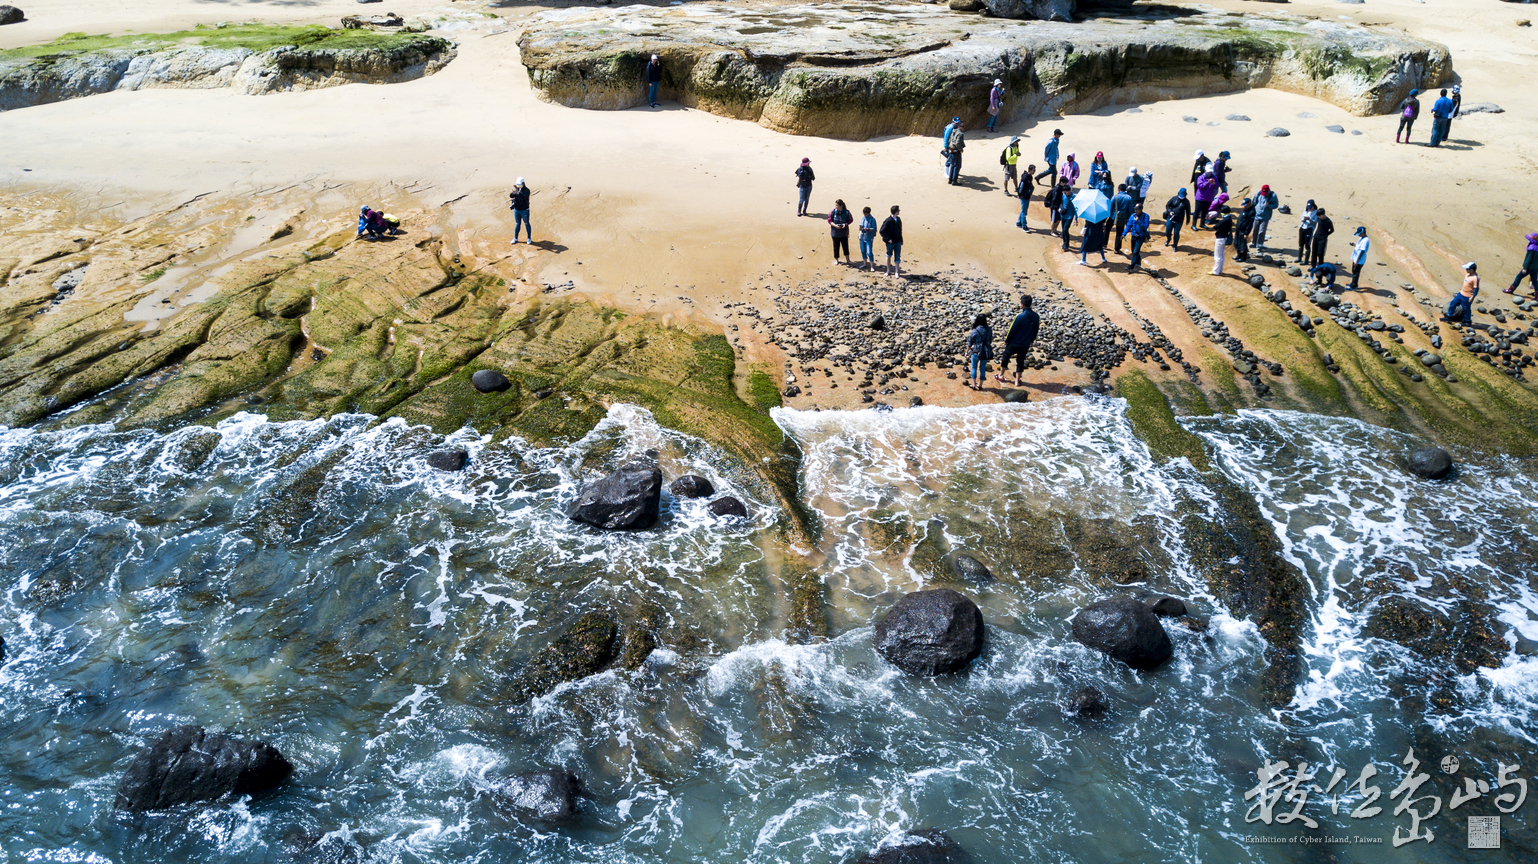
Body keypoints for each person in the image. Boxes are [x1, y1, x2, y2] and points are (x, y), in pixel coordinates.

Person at [996, 295, 1040, 387]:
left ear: (1022, 305)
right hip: (1025, 343)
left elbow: (1012, 329)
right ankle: (1017, 381)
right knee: (1020, 360)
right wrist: (1031, 340)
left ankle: (1001, 375)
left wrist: (1007, 340)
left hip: (1014, 342)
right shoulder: (1036, 316)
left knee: (1006, 356)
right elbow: (1036, 330)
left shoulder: (1019, 316)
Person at [1504, 231, 1538, 298]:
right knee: (1534, 281)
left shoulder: (1531, 248)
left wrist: (1525, 268)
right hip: (1535, 268)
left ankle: (1511, 290)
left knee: (1519, 277)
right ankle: (1537, 296)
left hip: (1529, 267)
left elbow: (1528, 259)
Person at [966, 313, 993, 390]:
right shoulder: (989, 330)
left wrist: (966, 351)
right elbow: (990, 341)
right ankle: (980, 385)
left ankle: (973, 384)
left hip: (976, 351)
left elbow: (970, 342)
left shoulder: (975, 330)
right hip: (985, 351)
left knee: (974, 367)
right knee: (982, 368)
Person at [1252, 184, 1279, 249]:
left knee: (1261, 231)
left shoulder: (1272, 195)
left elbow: (1275, 205)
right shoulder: (1258, 193)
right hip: (1257, 215)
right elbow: (1254, 202)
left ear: (1268, 190)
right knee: (1255, 230)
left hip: (1265, 217)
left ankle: (1259, 245)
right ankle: (1254, 243)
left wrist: (1269, 205)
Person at [880, 205, 903, 278]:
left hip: (897, 241)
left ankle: (896, 272)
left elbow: (900, 231)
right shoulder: (888, 221)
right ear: (896, 212)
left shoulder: (898, 219)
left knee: (897, 256)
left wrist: (901, 239)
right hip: (890, 243)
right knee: (888, 256)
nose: (899, 212)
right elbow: (882, 231)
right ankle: (888, 270)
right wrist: (888, 239)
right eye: (898, 211)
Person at [1127, 203, 1151, 273]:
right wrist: (1123, 234)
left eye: (1137, 209)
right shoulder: (1132, 216)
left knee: (1135, 251)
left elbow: (1145, 226)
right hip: (1134, 236)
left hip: (1141, 236)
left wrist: (1139, 221)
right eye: (1135, 209)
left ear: (1141, 210)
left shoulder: (1146, 216)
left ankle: (1131, 267)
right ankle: (1138, 263)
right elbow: (1128, 225)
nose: (1136, 211)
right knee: (1133, 251)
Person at [828, 199, 854, 265]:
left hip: (844, 233)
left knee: (845, 246)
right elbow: (829, 220)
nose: (836, 207)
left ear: (841, 206)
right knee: (836, 247)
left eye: (837, 205)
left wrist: (845, 224)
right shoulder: (833, 211)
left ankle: (848, 260)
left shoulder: (847, 212)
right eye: (835, 205)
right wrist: (835, 226)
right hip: (835, 233)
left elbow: (850, 220)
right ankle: (836, 260)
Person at [1110, 184, 1134, 253]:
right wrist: (1128, 219)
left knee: (1107, 229)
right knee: (1119, 233)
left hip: (1113, 216)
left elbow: (1110, 207)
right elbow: (1130, 209)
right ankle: (1117, 249)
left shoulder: (1115, 197)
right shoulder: (1129, 198)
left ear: (1118, 189)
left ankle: (1104, 243)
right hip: (1123, 218)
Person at [1212, 205, 1235, 275]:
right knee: (1221, 255)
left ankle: (1215, 271)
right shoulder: (1229, 218)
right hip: (1224, 237)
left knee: (1217, 255)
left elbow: (1215, 227)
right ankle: (1220, 270)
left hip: (1220, 238)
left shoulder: (1225, 220)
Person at [509, 179, 531, 244]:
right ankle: (515, 238)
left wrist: (519, 193)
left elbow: (524, 197)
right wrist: (514, 193)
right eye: (518, 185)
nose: (519, 186)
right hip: (517, 210)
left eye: (520, 185)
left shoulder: (527, 190)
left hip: (524, 210)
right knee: (517, 224)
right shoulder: (517, 190)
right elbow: (511, 196)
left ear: (523, 183)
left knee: (526, 223)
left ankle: (529, 238)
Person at [1233, 197, 1254, 263]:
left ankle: (1243, 257)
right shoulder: (1245, 209)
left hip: (1243, 231)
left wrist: (1246, 233)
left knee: (1242, 244)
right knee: (1236, 242)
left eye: (1246, 205)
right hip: (1238, 229)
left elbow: (1249, 224)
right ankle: (1239, 255)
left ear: (1249, 203)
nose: (1245, 206)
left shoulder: (1251, 212)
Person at [857, 206, 878, 271]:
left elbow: (874, 229)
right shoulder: (863, 218)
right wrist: (861, 228)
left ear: (869, 213)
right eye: (864, 214)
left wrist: (868, 229)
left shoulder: (872, 219)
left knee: (869, 252)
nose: (865, 215)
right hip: (862, 237)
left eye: (866, 214)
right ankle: (865, 263)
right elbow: (860, 226)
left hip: (869, 238)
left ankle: (872, 266)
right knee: (863, 251)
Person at [1058, 186, 1078, 252]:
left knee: (1065, 229)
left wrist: (1076, 218)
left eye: (1065, 192)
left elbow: (1076, 209)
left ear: (1069, 190)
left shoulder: (1074, 198)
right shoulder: (1063, 196)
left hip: (1069, 216)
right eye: (1064, 192)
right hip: (1063, 215)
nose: (1065, 194)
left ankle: (1066, 244)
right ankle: (1064, 242)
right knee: (1063, 229)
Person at [1015, 165, 1036, 231]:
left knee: (1023, 210)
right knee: (1024, 212)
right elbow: (1021, 186)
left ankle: (1019, 223)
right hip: (1024, 196)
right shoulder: (1025, 177)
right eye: (1033, 170)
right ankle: (1024, 226)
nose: (1034, 171)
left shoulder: (1029, 177)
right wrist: (1019, 194)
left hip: (1027, 196)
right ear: (1029, 170)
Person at [947, 121, 967, 185]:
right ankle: (954, 181)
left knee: (952, 165)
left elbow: (949, 140)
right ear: (959, 127)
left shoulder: (953, 131)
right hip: (956, 152)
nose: (964, 128)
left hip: (951, 151)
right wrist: (961, 150)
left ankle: (950, 180)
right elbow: (958, 143)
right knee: (957, 166)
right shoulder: (960, 134)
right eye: (963, 126)